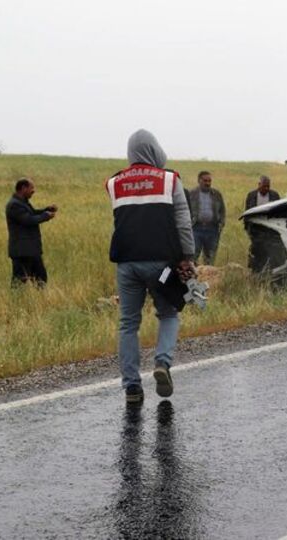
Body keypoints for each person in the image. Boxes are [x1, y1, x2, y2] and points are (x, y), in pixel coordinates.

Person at [106, 129, 195, 404]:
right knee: (168, 314)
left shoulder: (113, 183)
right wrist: (188, 256)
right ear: (154, 149)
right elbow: (182, 221)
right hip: (161, 263)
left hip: (126, 263)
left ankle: (132, 387)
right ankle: (162, 363)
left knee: (128, 324)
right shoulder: (169, 179)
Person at [5, 177, 56, 286]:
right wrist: (45, 216)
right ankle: (17, 301)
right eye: (31, 188)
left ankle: (39, 301)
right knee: (19, 282)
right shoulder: (14, 205)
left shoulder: (22, 203)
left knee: (41, 278)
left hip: (30, 251)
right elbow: (28, 220)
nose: (33, 191)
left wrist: (46, 210)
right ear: (23, 188)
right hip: (22, 251)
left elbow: (32, 214)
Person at [187, 170, 226, 265]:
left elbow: (222, 210)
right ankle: (194, 277)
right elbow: (186, 210)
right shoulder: (191, 194)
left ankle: (208, 278)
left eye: (209, 181)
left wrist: (221, 223)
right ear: (199, 180)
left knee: (210, 257)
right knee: (193, 256)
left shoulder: (217, 194)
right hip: (196, 228)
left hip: (212, 229)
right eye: (205, 181)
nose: (208, 183)